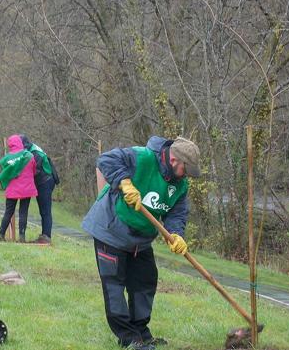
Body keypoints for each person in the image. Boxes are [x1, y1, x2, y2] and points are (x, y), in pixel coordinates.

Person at [81, 136, 200, 350]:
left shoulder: (180, 186)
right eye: (186, 169)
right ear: (174, 160)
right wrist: (124, 182)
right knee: (114, 285)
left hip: (141, 239)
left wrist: (176, 234)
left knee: (145, 281)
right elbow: (106, 159)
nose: (186, 176)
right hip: (111, 229)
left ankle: (141, 333)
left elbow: (177, 213)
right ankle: (128, 339)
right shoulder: (143, 157)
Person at [20, 135, 60, 244]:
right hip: (42, 181)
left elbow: (33, 171)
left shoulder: (35, 154)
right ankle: (44, 236)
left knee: (45, 210)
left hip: (45, 181)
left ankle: (46, 237)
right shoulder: (32, 149)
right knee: (43, 210)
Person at [0, 134, 38, 242]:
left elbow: (5, 172)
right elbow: (34, 170)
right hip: (27, 188)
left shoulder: (7, 158)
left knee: (8, 212)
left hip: (13, 189)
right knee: (23, 212)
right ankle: (22, 237)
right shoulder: (29, 155)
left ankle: (1, 234)